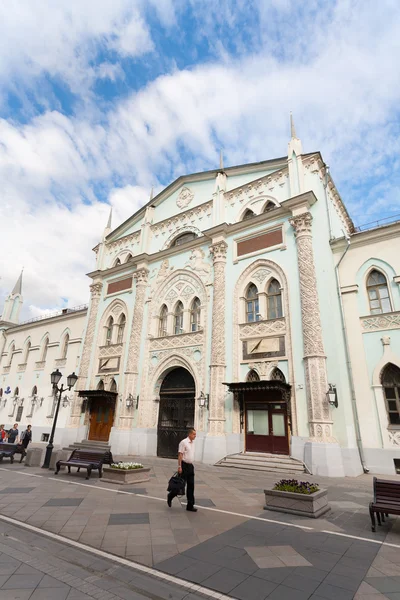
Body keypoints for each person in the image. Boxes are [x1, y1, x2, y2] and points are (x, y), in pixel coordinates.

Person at [167, 428, 197, 512]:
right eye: (194, 434)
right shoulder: (183, 442)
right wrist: (179, 466)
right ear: (189, 434)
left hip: (190, 466)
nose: (195, 436)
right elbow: (180, 454)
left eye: (195, 434)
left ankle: (190, 505)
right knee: (180, 485)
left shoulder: (193, 443)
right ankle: (170, 495)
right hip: (184, 465)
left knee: (191, 485)